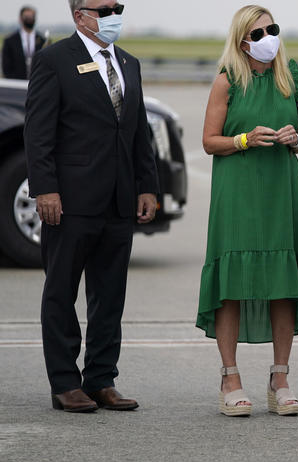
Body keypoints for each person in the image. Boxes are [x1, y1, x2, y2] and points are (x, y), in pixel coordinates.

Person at [24, 0, 159, 413]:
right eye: (105, 8)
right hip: (71, 200)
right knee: (61, 291)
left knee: (110, 295)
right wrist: (45, 189)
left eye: (118, 6)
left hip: (119, 200)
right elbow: (39, 132)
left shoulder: (128, 63)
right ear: (79, 14)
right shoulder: (54, 60)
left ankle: (101, 378)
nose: (115, 13)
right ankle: (65, 382)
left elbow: (138, 133)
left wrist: (147, 186)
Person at [197, 4, 298, 418]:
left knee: (283, 283)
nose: (268, 38)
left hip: (282, 189)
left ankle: (280, 377)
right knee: (232, 283)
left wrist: (292, 140)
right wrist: (243, 139)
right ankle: (230, 377)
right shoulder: (226, 81)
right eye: (259, 33)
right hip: (238, 192)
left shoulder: (293, 76)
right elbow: (210, 141)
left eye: (273, 29)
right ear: (242, 40)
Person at [2, 6, 46, 79]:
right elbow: (6, 68)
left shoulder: (43, 40)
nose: (29, 19)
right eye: (26, 16)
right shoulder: (9, 41)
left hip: (37, 84)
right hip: (16, 84)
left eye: (32, 16)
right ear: (20, 19)